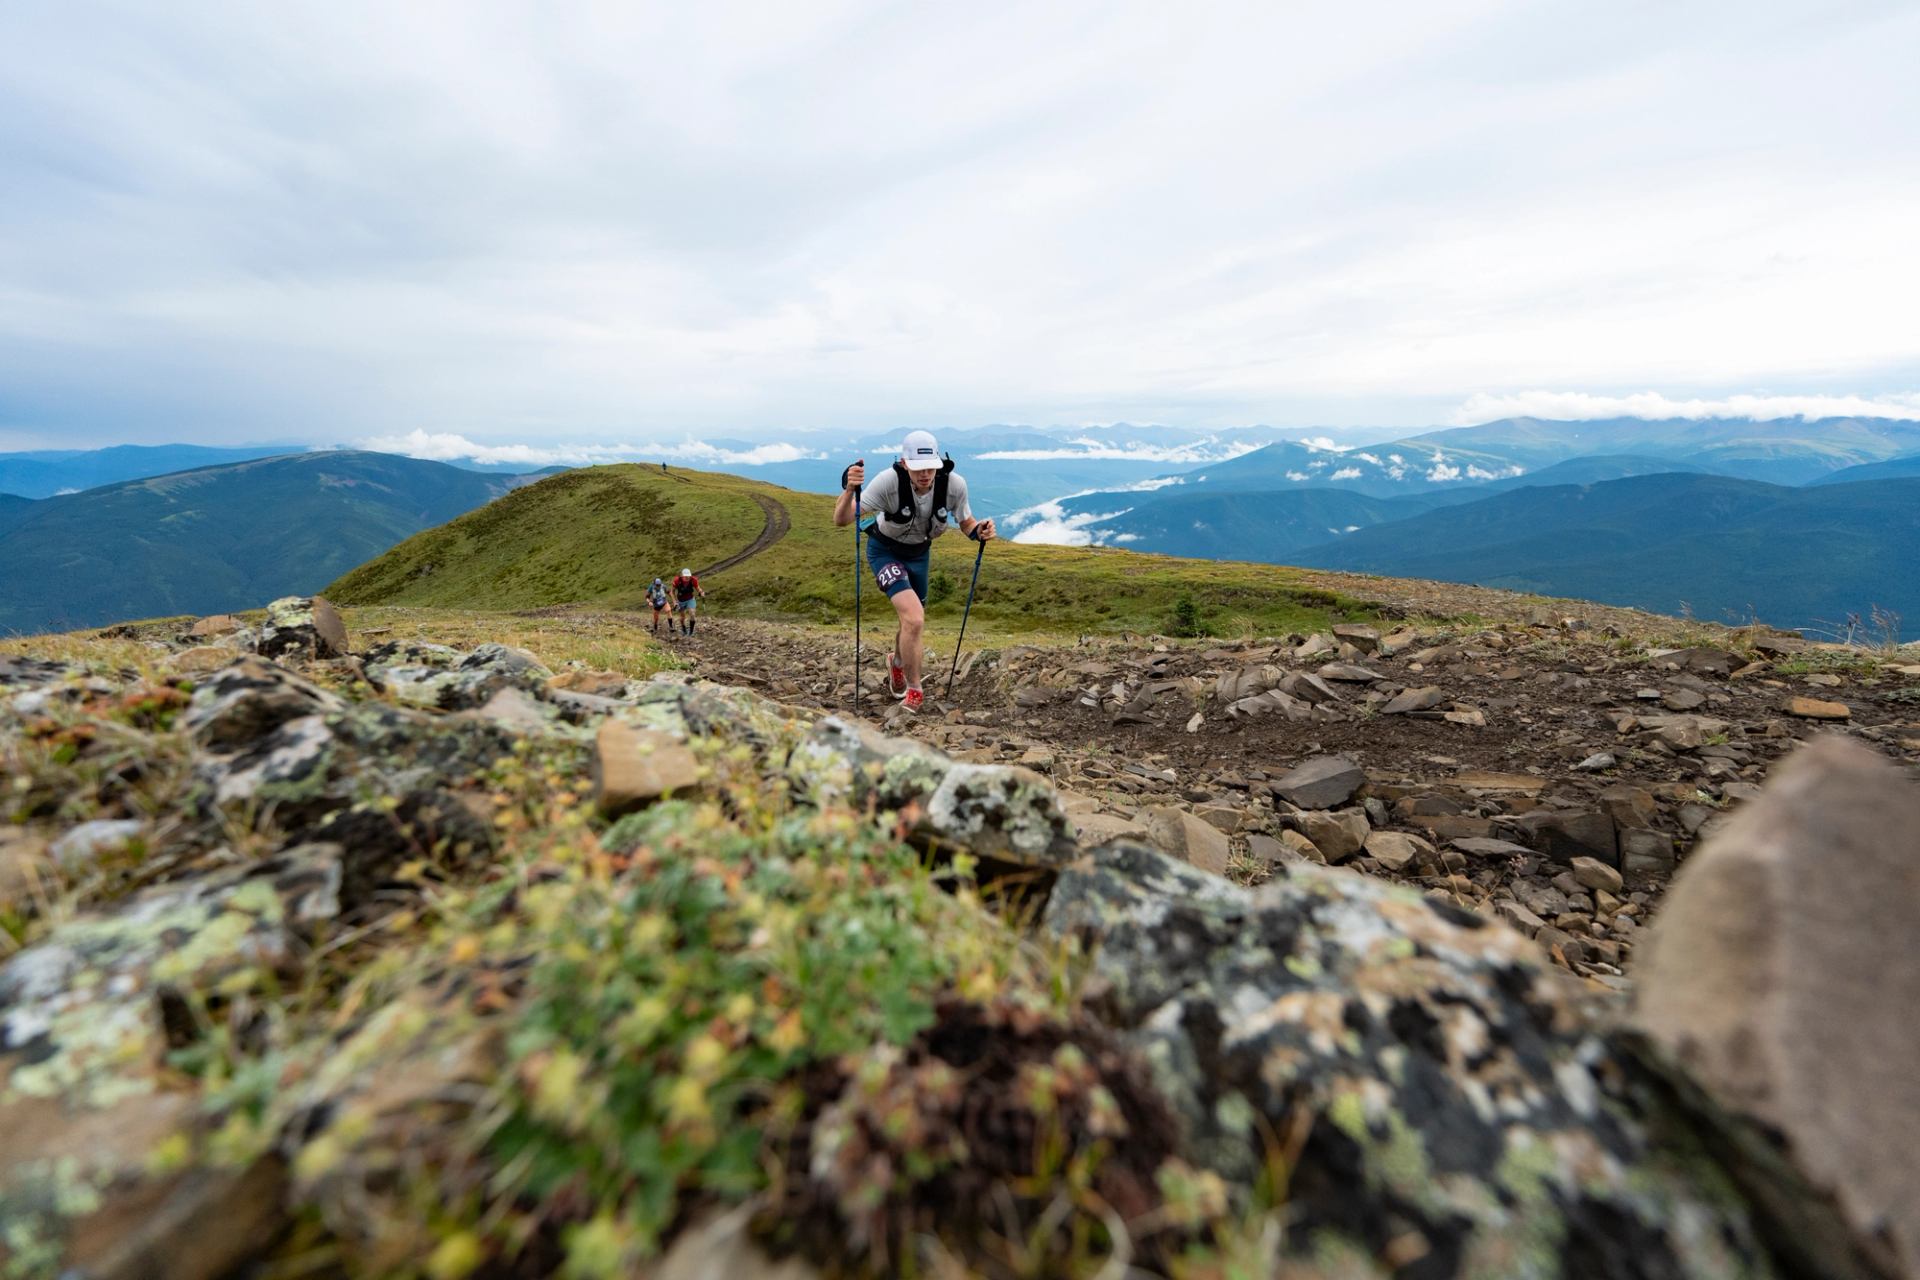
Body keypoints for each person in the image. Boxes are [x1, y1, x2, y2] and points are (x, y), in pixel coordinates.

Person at [833, 430, 995, 713]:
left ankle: (896, 663)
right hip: (884, 551)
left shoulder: (954, 486)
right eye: (919, 468)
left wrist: (979, 532)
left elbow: (966, 522)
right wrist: (849, 489)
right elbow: (842, 519)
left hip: (920, 555)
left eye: (930, 467)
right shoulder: (888, 482)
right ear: (905, 464)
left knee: (910, 623)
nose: (925, 474)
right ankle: (915, 691)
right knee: (915, 619)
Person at [671, 567, 706, 636]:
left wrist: (701, 592)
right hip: (681, 600)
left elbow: (698, 588)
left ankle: (691, 631)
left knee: (692, 614)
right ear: (682, 576)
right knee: (682, 617)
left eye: (688, 577)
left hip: (690, 599)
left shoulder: (693, 580)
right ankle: (684, 629)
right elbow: (672, 592)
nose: (687, 578)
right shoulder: (677, 581)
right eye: (685, 577)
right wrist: (674, 601)